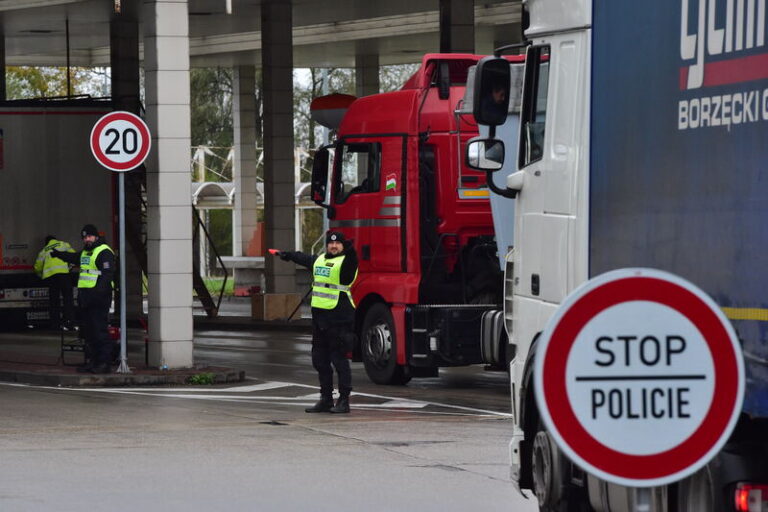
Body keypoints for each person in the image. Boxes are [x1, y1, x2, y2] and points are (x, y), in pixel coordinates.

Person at [272, 231, 358, 414]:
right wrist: (286, 255)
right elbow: (303, 258)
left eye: (338, 244)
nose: (334, 246)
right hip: (320, 319)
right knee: (319, 360)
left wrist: (350, 245)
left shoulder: (347, 263)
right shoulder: (319, 261)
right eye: (330, 244)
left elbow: (352, 255)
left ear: (343, 246)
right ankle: (325, 399)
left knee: (339, 360)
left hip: (339, 317)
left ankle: (344, 401)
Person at [52, 224, 115, 374]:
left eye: (89, 236)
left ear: (96, 237)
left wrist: (97, 292)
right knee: (88, 332)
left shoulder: (104, 252)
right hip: (86, 298)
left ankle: (103, 363)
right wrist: (58, 254)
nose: (87, 239)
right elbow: (74, 257)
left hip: (99, 298)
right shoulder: (86, 252)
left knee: (99, 331)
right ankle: (93, 362)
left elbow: (107, 275)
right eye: (85, 237)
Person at [34, 235, 76, 330]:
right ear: (55, 240)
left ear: (47, 242)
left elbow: (37, 267)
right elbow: (74, 256)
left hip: (51, 277)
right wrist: (70, 267)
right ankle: (69, 323)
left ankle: (55, 325)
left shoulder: (44, 250)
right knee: (68, 299)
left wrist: (41, 275)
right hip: (64, 275)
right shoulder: (63, 244)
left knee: (54, 301)